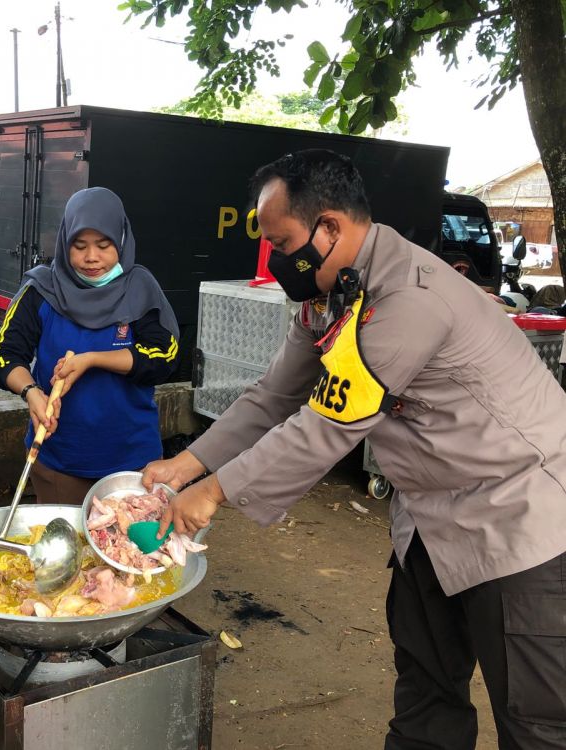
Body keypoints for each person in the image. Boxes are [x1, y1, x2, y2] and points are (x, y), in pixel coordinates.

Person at [143, 150, 566, 749]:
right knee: (425, 700)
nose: (276, 259)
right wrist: (184, 465)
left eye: (281, 242)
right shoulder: (331, 295)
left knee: (538, 723)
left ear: (330, 227)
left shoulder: (409, 298)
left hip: (517, 519)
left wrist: (209, 495)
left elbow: (327, 424)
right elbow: (272, 396)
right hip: (430, 519)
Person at [0, 187, 179, 503]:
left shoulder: (140, 289)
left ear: (121, 240)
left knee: (128, 550)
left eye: (103, 245)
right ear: (65, 243)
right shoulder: (40, 290)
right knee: (64, 547)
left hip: (131, 463)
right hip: (60, 460)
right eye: (79, 246)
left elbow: (163, 356)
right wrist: (31, 392)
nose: (91, 257)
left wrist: (93, 359)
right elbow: (3, 356)